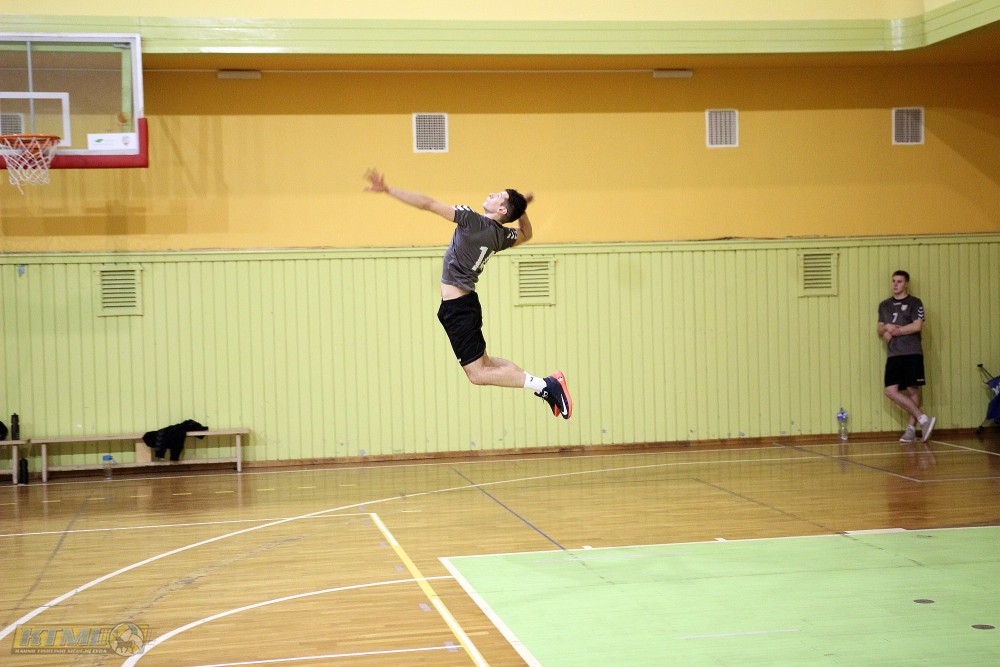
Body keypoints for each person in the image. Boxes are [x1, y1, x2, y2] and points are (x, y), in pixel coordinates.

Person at [363, 168, 572, 419]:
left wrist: (389, 189)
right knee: (488, 365)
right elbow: (526, 233)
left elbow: (428, 203)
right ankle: (545, 386)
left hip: (459, 308)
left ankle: (547, 385)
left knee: (478, 374)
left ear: (502, 209)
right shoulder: (501, 235)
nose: (492, 194)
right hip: (464, 305)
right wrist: (521, 209)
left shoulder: (472, 220)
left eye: (498, 196)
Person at [877, 270, 935, 443]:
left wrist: (897, 331)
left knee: (912, 390)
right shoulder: (884, 305)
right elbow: (879, 328)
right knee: (890, 390)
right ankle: (923, 419)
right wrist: (886, 328)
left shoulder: (915, 302)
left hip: (911, 351)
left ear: (906, 284)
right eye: (893, 281)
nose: (895, 284)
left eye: (899, 281)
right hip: (894, 353)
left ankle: (911, 429)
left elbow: (917, 326)